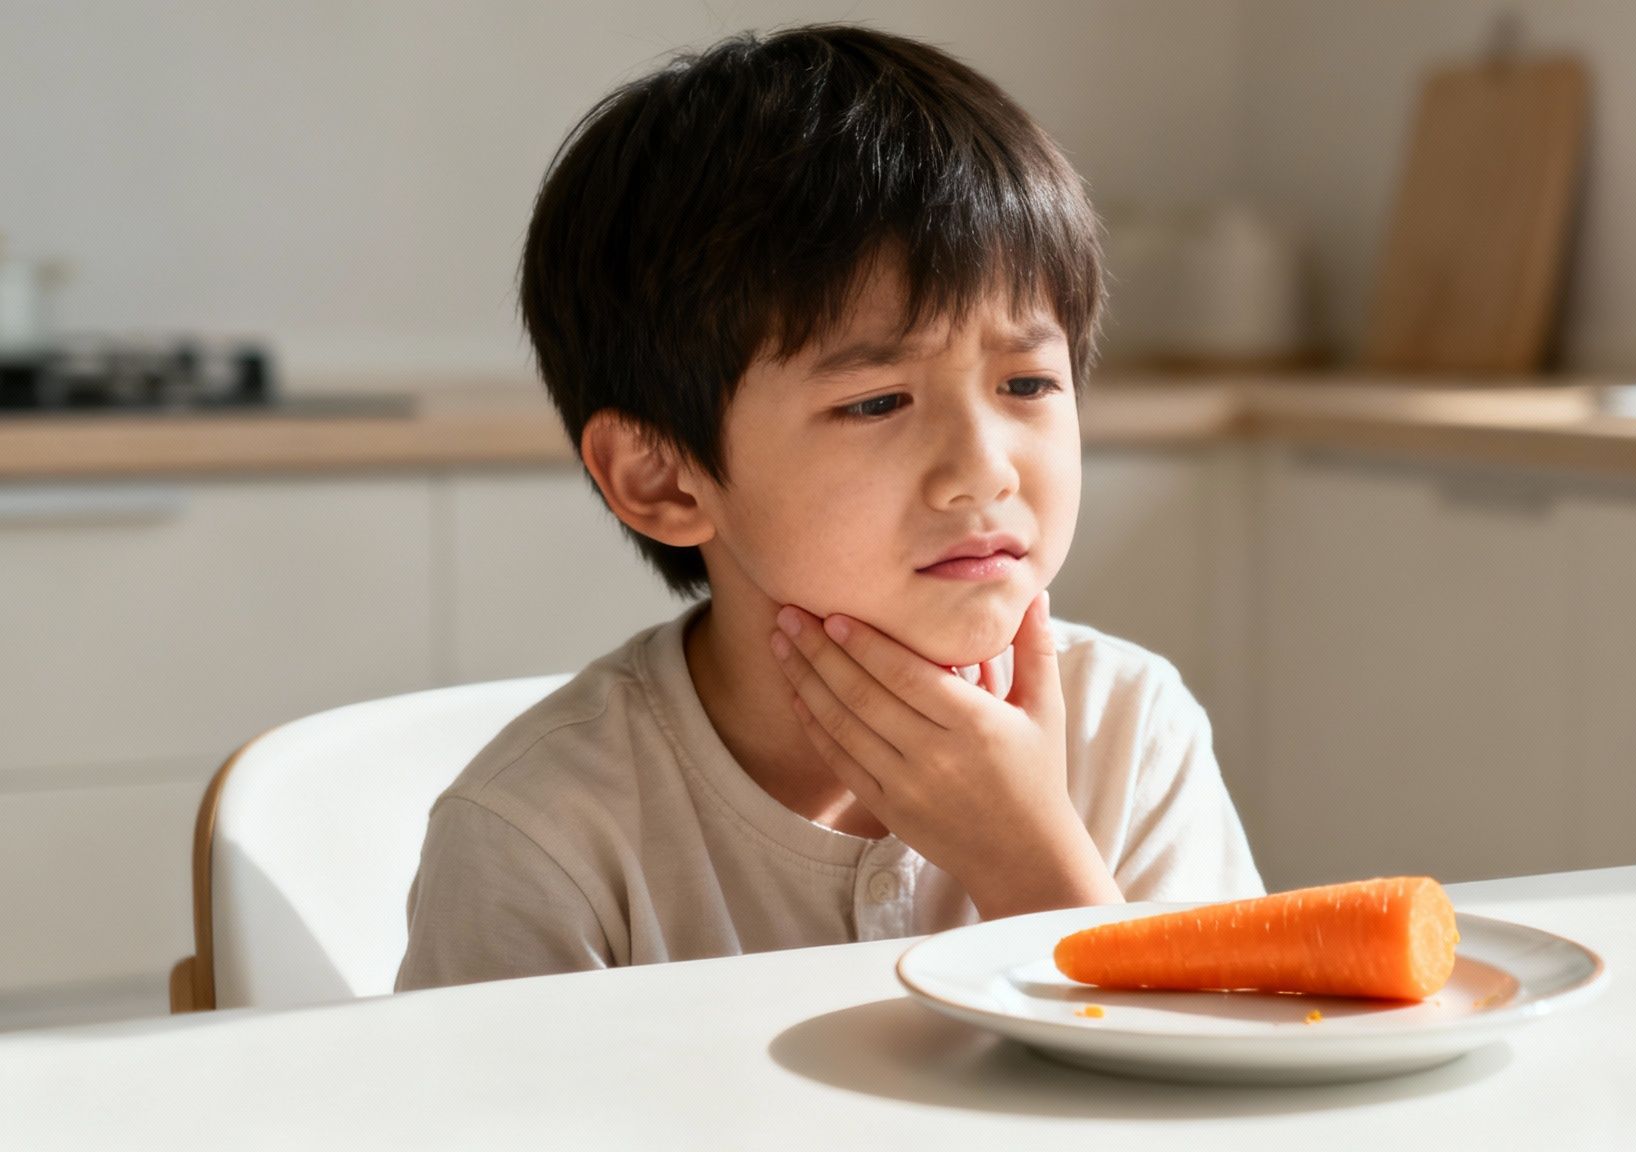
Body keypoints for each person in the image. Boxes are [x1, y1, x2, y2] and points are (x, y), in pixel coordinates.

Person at [395, 23, 1263, 991]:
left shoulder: (1130, 727)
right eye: (875, 402)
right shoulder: (543, 833)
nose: (982, 473)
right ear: (663, 479)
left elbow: (1206, 1104)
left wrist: (1029, 866)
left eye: (1025, 384)